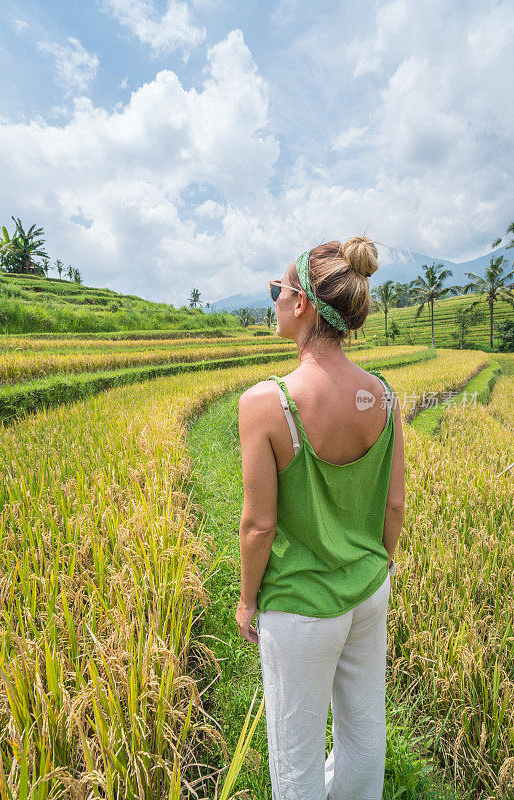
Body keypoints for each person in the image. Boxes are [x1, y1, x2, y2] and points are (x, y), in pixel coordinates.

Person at [236, 236, 405, 800]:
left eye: (278, 290)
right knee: (364, 731)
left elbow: (259, 525)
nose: (275, 300)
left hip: (301, 606)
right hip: (368, 587)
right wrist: (382, 562)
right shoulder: (382, 396)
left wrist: (246, 600)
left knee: (296, 754)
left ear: (302, 303)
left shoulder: (266, 402)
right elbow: (394, 504)